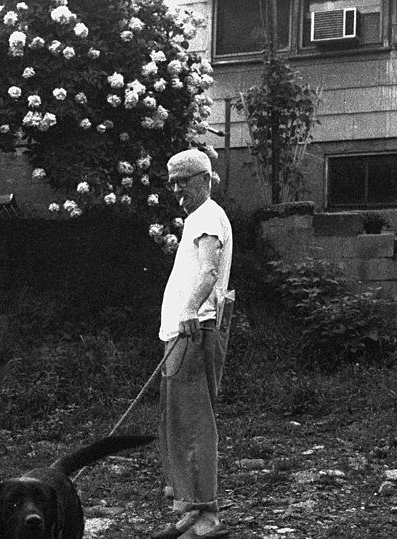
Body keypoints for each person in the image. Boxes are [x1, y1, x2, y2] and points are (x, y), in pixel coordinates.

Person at [151, 148, 233, 539]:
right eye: (172, 183)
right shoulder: (197, 218)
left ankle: (207, 516)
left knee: (194, 424)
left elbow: (208, 273)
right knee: (178, 423)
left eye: (184, 181)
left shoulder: (207, 217)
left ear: (205, 179)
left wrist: (188, 311)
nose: (177, 189)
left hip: (194, 331)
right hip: (183, 333)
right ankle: (191, 506)